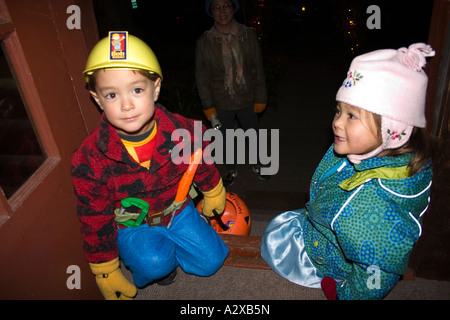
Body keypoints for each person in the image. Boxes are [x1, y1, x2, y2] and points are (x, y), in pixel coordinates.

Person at [260, 43, 438, 300]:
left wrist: (344, 295)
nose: (336, 122)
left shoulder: (373, 212)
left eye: (352, 116)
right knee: (283, 226)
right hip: (334, 223)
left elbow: (376, 276)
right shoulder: (382, 154)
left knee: (274, 239)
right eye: (338, 110)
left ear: (392, 128)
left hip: (327, 258)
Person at [71, 31, 229, 300]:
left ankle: (175, 245)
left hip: (178, 211)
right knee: (155, 264)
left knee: (211, 261)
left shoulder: (183, 130)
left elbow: (199, 156)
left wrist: (213, 188)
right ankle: (159, 258)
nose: (126, 104)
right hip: (133, 226)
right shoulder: (89, 161)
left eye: (136, 89)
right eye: (111, 95)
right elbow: (94, 219)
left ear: (155, 89)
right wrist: (105, 269)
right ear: (97, 99)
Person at [195, 0, 268, 186]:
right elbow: (201, 77)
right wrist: (208, 107)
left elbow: (257, 67)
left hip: (247, 96)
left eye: (226, 5)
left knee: (253, 133)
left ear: (233, 8)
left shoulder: (248, 35)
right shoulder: (205, 42)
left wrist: (261, 96)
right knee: (224, 137)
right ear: (210, 12)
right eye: (216, 7)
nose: (222, 11)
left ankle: (258, 163)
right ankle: (230, 168)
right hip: (220, 100)